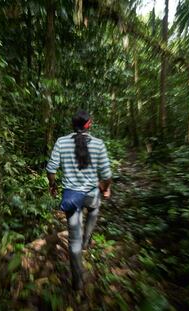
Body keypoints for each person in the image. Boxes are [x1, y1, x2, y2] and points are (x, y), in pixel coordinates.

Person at [46, 110, 112, 290]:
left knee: (73, 240)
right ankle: (86, 240)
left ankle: (78, 281)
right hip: (91, 195)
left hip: (72, 198)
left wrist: (53, 186)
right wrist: (104, 188)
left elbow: (51, 169)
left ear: (72, 125)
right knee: (94, 208)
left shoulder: (61, 142)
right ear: (88, 125)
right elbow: (106, 176)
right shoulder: (98, 144)